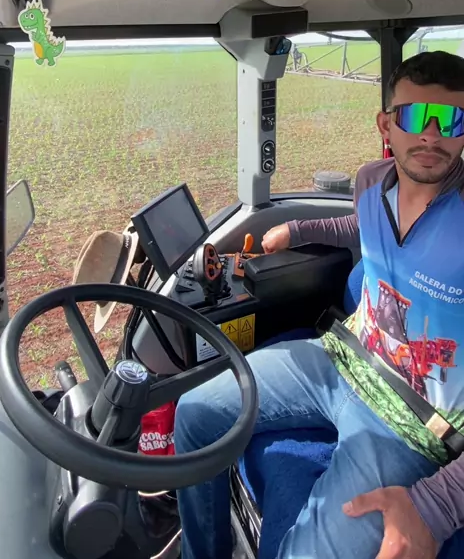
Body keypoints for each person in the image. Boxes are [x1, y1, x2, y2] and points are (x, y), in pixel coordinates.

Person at [174, 51, 464, 559]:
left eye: (452, 120)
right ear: (386, 125)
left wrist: (439, 506)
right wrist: (297, 229)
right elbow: (363, 223)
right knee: (193, 414)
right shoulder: (371, 181)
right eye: (416, 115)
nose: (432, 135)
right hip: (340, 358)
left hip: (412, 423)